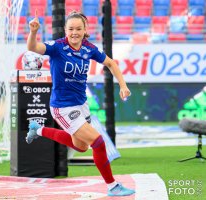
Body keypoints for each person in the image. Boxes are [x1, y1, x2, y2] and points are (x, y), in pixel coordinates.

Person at [26, 10, 135, 197]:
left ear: (85, 30)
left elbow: (112, 64)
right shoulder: (57, 47)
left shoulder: (89, 48)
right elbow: (33, 47)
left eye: (78, 29)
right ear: (65, 30)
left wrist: (123, 86)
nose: (74, 32)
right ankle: (112, 186)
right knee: (98, 142)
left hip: (81, 104)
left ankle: (38, 130)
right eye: (71, 29)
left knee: (81, 147)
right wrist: (34, 31)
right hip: (62, 107)